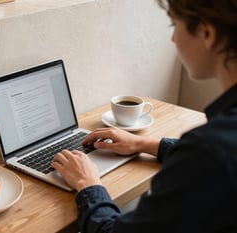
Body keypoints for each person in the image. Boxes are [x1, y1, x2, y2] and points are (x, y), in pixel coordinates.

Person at [51, 0, 237, 232]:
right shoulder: (216, 145)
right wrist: (144, 143)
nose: (173, 39)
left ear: (207, 33)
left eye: (173, 26)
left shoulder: (208, 151)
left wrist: (87, 184)